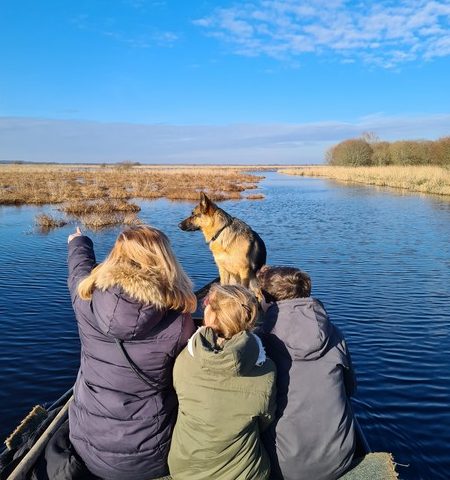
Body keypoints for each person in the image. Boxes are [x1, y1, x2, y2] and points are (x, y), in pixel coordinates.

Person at [67, 225, 196, 480]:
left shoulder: (85, 299)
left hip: (87, 446)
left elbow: (78, 270)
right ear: (165, 262)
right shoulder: (179, 323)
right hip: (151, 457)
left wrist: (78, 241)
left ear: (116, 255)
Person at [256, 265, 357, 480]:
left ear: (267, 299)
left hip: (284, 465)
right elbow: (350, 389)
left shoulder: (261, 341)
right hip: (340, 458)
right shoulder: (335, 334)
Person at [168, 284, 277, 480]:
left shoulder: (184, 360)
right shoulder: (266, 371)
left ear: (210, 313)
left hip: (185, 469)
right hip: (244, 474)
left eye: (207, 303)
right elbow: (265, 420)